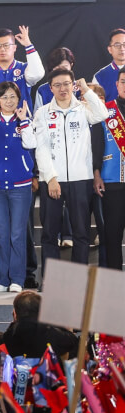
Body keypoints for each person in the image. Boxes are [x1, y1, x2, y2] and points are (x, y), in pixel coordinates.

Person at [34, 69, 107, 272]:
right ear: (51, 88)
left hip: (80, 180)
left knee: (81, 232)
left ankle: (79, 278)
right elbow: (41, 149)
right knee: (50, 233)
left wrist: (87, 90)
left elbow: (102, 114)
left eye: (67, 83)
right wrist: (50, 178)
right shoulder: (42, 113)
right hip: (52, 180)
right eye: (57, 85)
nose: (62, 88)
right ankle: (50, 278)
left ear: (73, 85)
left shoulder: (83, 109)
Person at [0, 82, 36, 293]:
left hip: (20, 187)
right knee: (1, 234)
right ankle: (2, 279)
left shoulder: (26, 122)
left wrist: (23, 122)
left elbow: (31, 144)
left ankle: (17, 279)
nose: (9, 101)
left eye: (13, 96)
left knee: (17, 234)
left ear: (19, 99)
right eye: (4, 97)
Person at [95, 67, 125, 270]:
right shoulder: (105, 111)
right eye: (123, 81)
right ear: (116, 84)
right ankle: (114, 283)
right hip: (113, 182)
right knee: (112, 235)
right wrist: (96, 174)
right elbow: (96, 145)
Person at [0, 291, 77, 359]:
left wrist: (14, 323)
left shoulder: (6, 338)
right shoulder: (51, 333)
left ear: (15, 313)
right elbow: (73, 342)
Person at [92, 29, 125, 101]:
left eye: (124, 44)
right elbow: (96, 105)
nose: (122, 48)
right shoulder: (99, 76)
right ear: (110, 49)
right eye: (117, 45)